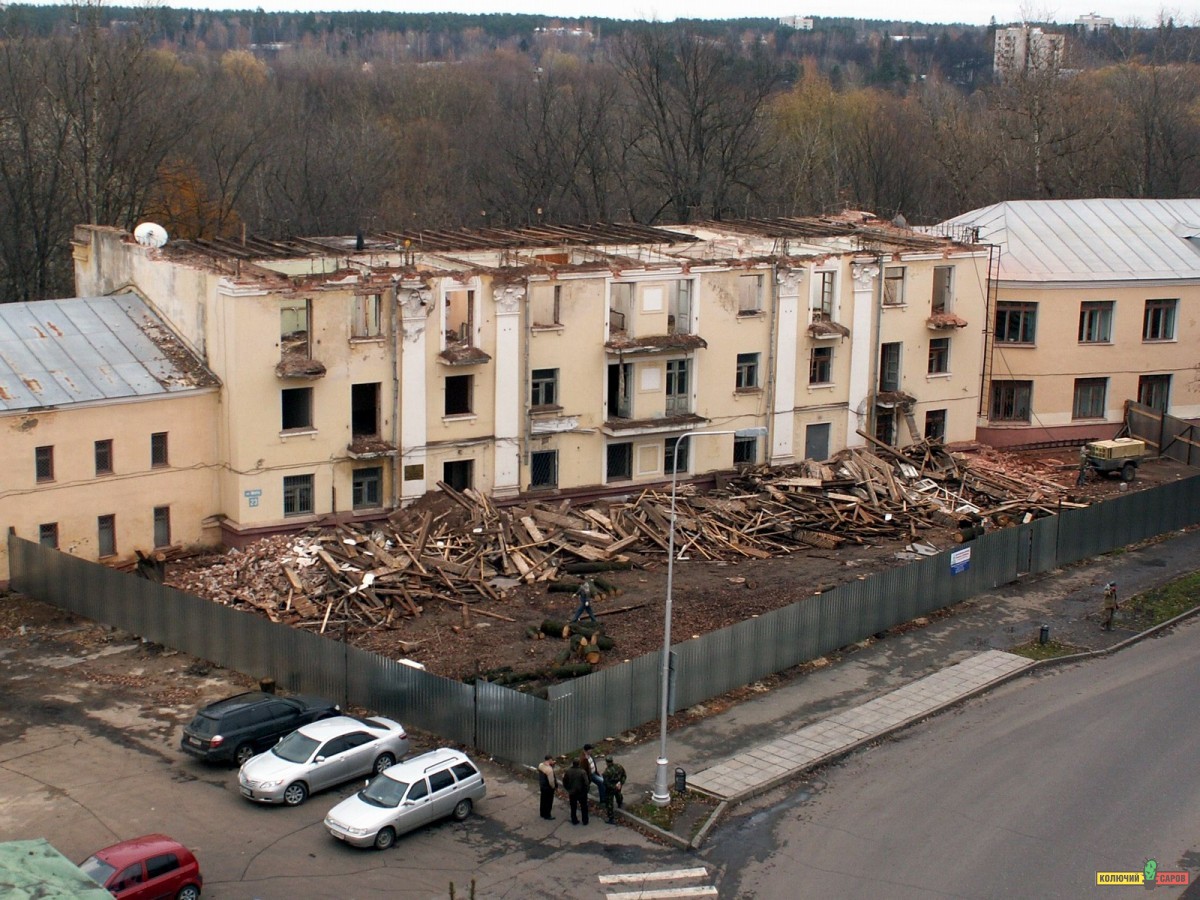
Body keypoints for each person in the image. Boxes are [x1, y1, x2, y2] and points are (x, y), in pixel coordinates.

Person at [562, 758, 590, 825]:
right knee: (584, 807)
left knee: (573, 807)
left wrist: (568, 789)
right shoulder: (582, 772)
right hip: (581, 792)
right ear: (579, 764)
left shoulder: (568, 771)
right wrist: (586, 791)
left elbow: (564, 781)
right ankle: (585, 820)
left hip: (572, 792)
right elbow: (586, 783)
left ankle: (574, 820)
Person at [602, 755, 627, 824]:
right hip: (618, 786)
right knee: (618, 794)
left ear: (606, 762)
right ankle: (620, 803)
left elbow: (606, 783)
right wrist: (620, 783)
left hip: (610, 789)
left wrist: (614, 786)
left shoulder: (606, 772)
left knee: (609, 803)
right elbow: (624, 775)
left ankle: (611, 818)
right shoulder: (619, 766)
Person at [536, 755, 557, 820]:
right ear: (550, 760)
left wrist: (551, 764)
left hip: (542, 786)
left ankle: (542, 813)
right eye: (552, 760)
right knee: (549, 802)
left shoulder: (540, 765)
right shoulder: (549, 770)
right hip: (548, 788)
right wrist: (554, 787)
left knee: (543, 800)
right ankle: (547, 815)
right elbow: (551, 781)